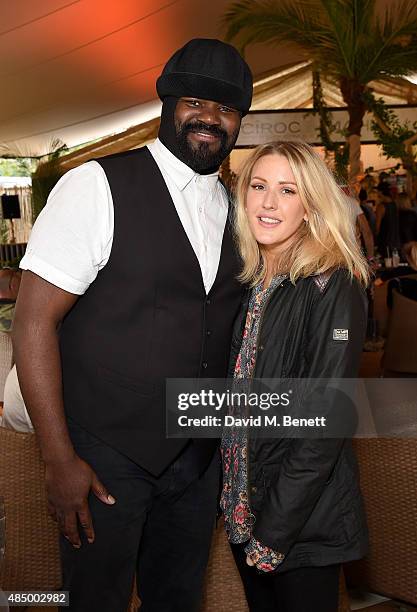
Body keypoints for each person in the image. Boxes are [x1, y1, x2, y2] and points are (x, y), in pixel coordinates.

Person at [12, 38, 253, 612]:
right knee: (96, 600)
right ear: (168, 105)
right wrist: (58, 458)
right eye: (195, 102)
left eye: (226, 109)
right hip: (104, 456)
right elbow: (31, 325)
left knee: (177, 599)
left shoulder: (240, 205)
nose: (210, 119)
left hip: (198, 460)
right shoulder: (95, 185)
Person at [220, 142, 369, 612]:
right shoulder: (251, 281)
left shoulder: (331, 282)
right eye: (259, 187)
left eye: (288, 190)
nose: (268, 203)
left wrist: (274, 532)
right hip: (245, 507)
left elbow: (322, 426)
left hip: (299, 525)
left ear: (310, 205)